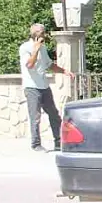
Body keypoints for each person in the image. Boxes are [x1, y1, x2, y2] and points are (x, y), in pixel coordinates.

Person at [19, 23, 74, 152]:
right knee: (35, 117)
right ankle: (36, 144)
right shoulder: (25, 47)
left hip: (44, 86)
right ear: (34, 34)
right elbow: (29, 65)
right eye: (41, 32)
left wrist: (64, 71)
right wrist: (36, 49)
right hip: (32, 87)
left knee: (54, 114)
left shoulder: (43, 48)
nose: (43, 34)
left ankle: (59, 141)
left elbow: (49, 65)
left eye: (43, 32)